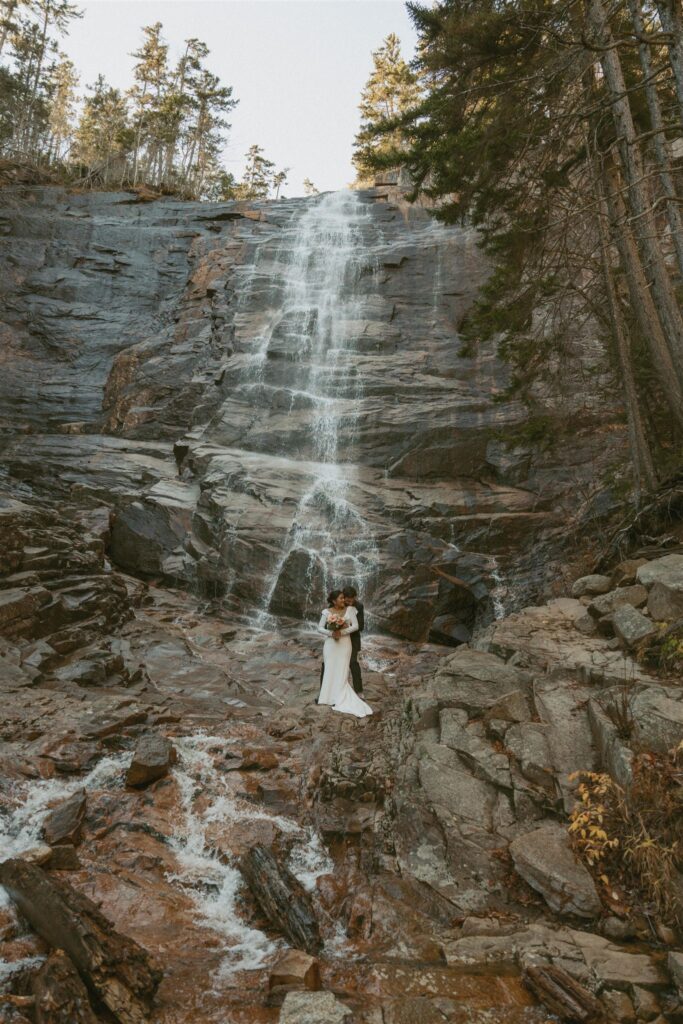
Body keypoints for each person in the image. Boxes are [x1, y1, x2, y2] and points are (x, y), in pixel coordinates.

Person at [316, 590, 373, 718]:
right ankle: (325, 695)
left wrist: (342, 631)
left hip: (345, 643)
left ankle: (350, 693)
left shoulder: (352, 609)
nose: (344, 600)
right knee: (329, 667)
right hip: (330, 644)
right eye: (341, 598)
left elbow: (356, 626)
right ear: (334, 601)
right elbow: (320, 627)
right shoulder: (326, 612)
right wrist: (331, 633)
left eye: (345, 598)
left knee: (344, 667)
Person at [343, 585, 364, 694]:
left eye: (352, 599)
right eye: (347, 599)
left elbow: (361, 626)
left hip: (353, 639)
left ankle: (359, 690)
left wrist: (346, 626)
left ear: (355, 597)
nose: (350, 601)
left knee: (352, 663)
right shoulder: (338, 604)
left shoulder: (359, 606)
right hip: (340, 640)